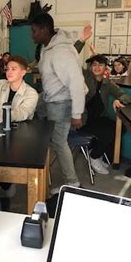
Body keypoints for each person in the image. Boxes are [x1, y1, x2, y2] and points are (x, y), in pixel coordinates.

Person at [31, 13, 86, 188]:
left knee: (59, 142)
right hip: (49, 98)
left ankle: (73, 182)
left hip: (62, 102)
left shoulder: (60, 52)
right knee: (32, 108)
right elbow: (45, 66)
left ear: (44, 29)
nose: (32, 35)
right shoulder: (47, 47)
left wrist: (76, 114)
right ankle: (38, 159)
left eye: (34, 31)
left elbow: (76, 83)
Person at [82, 55, 131, 174]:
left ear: (105, 68)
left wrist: (120, 100)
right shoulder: (85, 78)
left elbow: (125, 95)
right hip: (84, 119)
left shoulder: (107, 83)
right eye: (94, 64)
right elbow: (72, 61)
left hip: (99, 118)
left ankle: (98, 154)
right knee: (108, 132)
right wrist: (81, 42)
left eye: (100, 64)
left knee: (120, 128)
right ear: (90, 67)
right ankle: (94, 156)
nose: (97, 67)